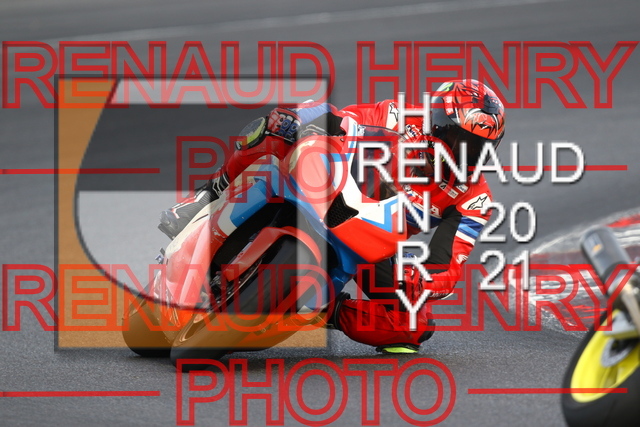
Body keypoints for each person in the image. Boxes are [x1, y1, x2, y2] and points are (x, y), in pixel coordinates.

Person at [159, 79, 506, 354]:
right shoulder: (401, 116)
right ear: (439, 124)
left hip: (376, 240)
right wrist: (303, 119)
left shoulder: (474, 199)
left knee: (412, 327)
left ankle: (322, 308)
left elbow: (448, 266)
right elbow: (342, 118)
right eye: (462, 140)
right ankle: (207, 194)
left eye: (481, 147)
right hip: (334, 185)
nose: (470, 154)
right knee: (276, 128)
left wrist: (423, 281)